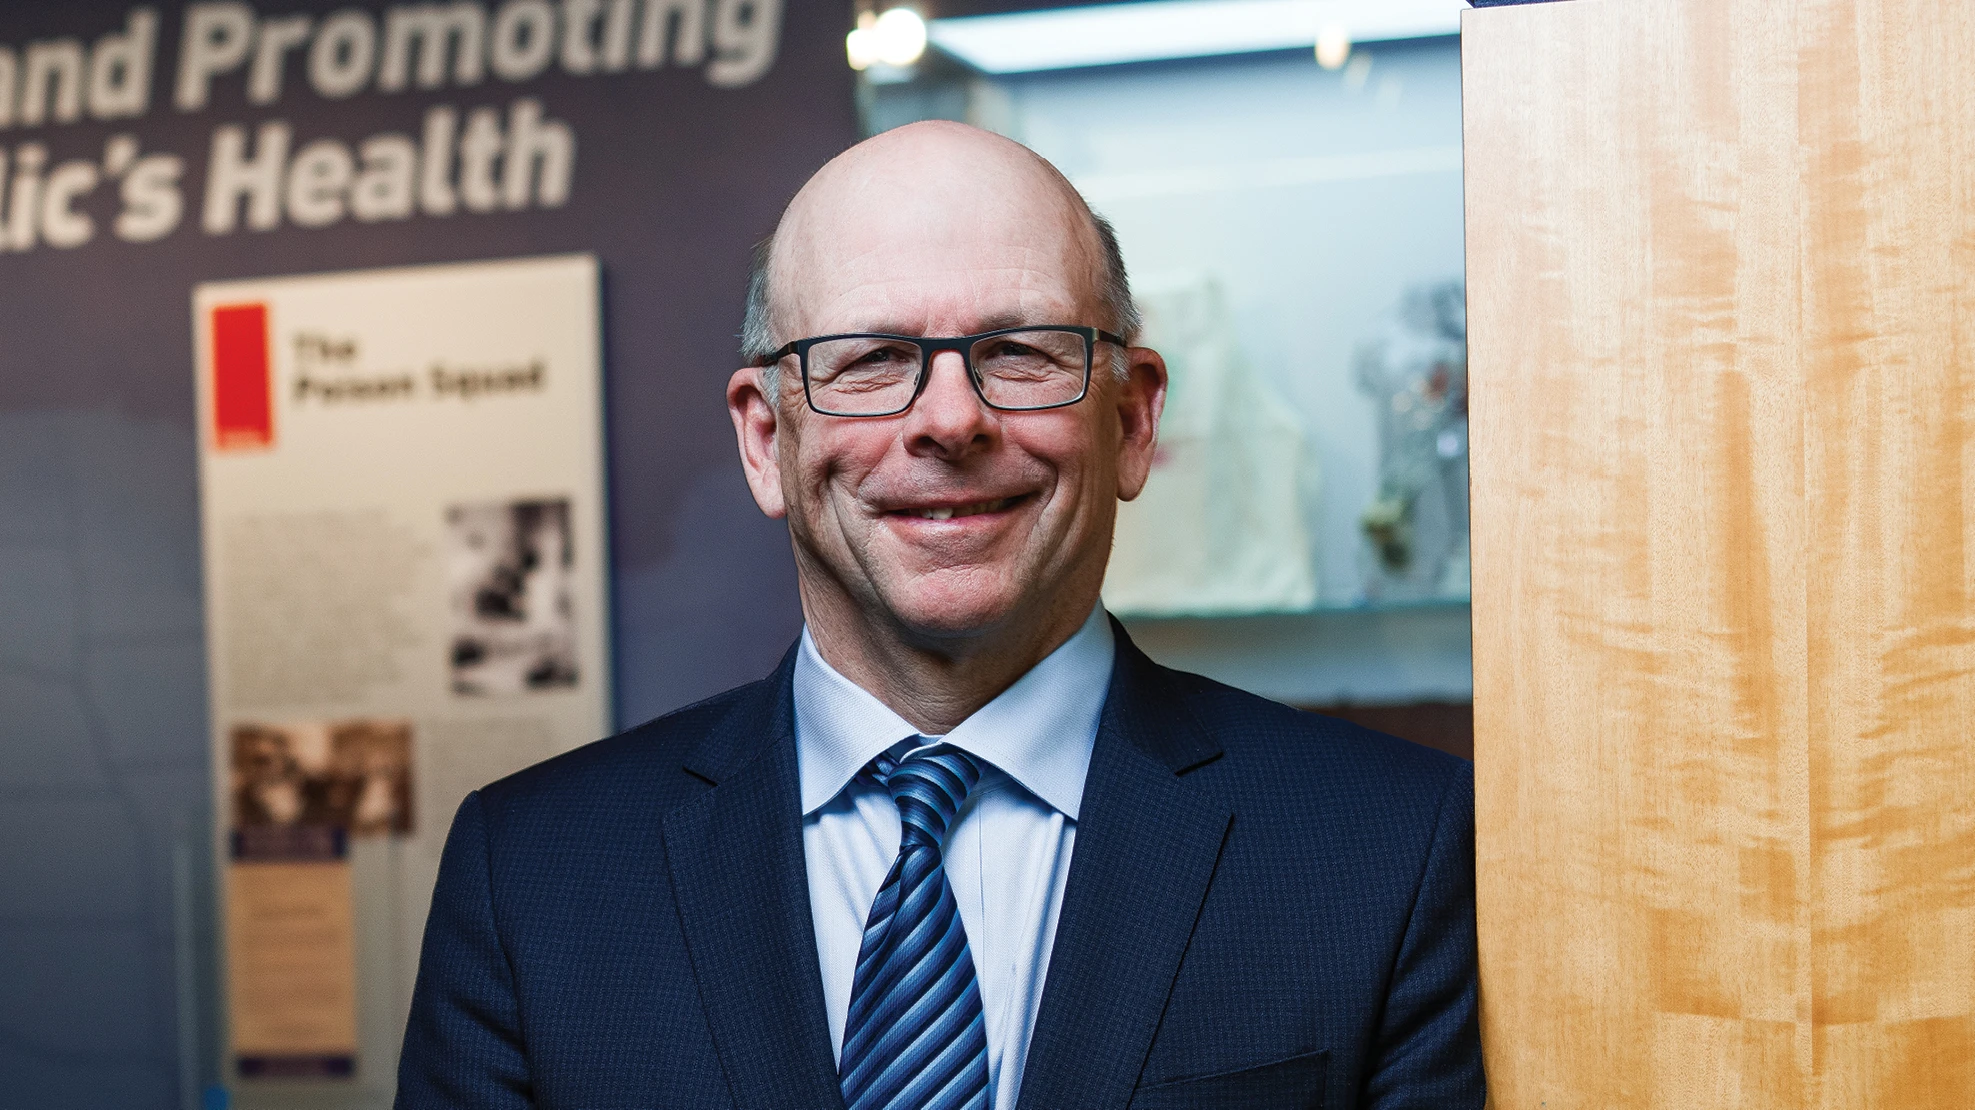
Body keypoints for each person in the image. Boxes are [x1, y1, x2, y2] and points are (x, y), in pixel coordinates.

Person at [397, 120, 1482, 1110]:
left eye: (1019, 350)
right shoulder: (533, 878)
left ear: (1132, 421)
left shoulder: (1386, 850)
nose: (951, 419)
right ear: (765, 441)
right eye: (872, 360)